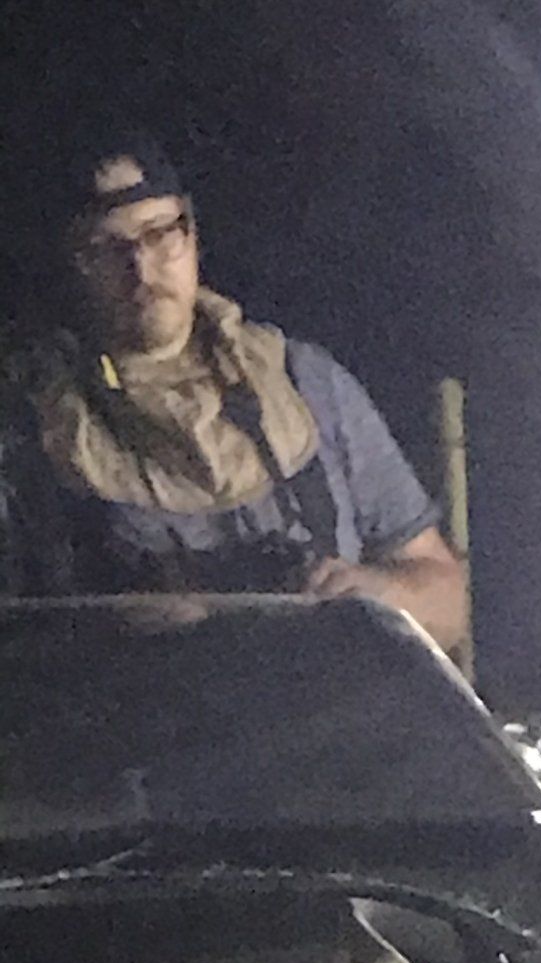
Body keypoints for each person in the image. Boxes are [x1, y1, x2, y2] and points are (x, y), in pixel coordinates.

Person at [0, 139, 468, 653]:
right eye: (106, 249)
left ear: (192, 235)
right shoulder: (29, 425)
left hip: (329, 721)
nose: (140, 268)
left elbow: (448, 603)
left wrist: (381, 597)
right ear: (74, 267)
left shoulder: (306, 383)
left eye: (159, 234)